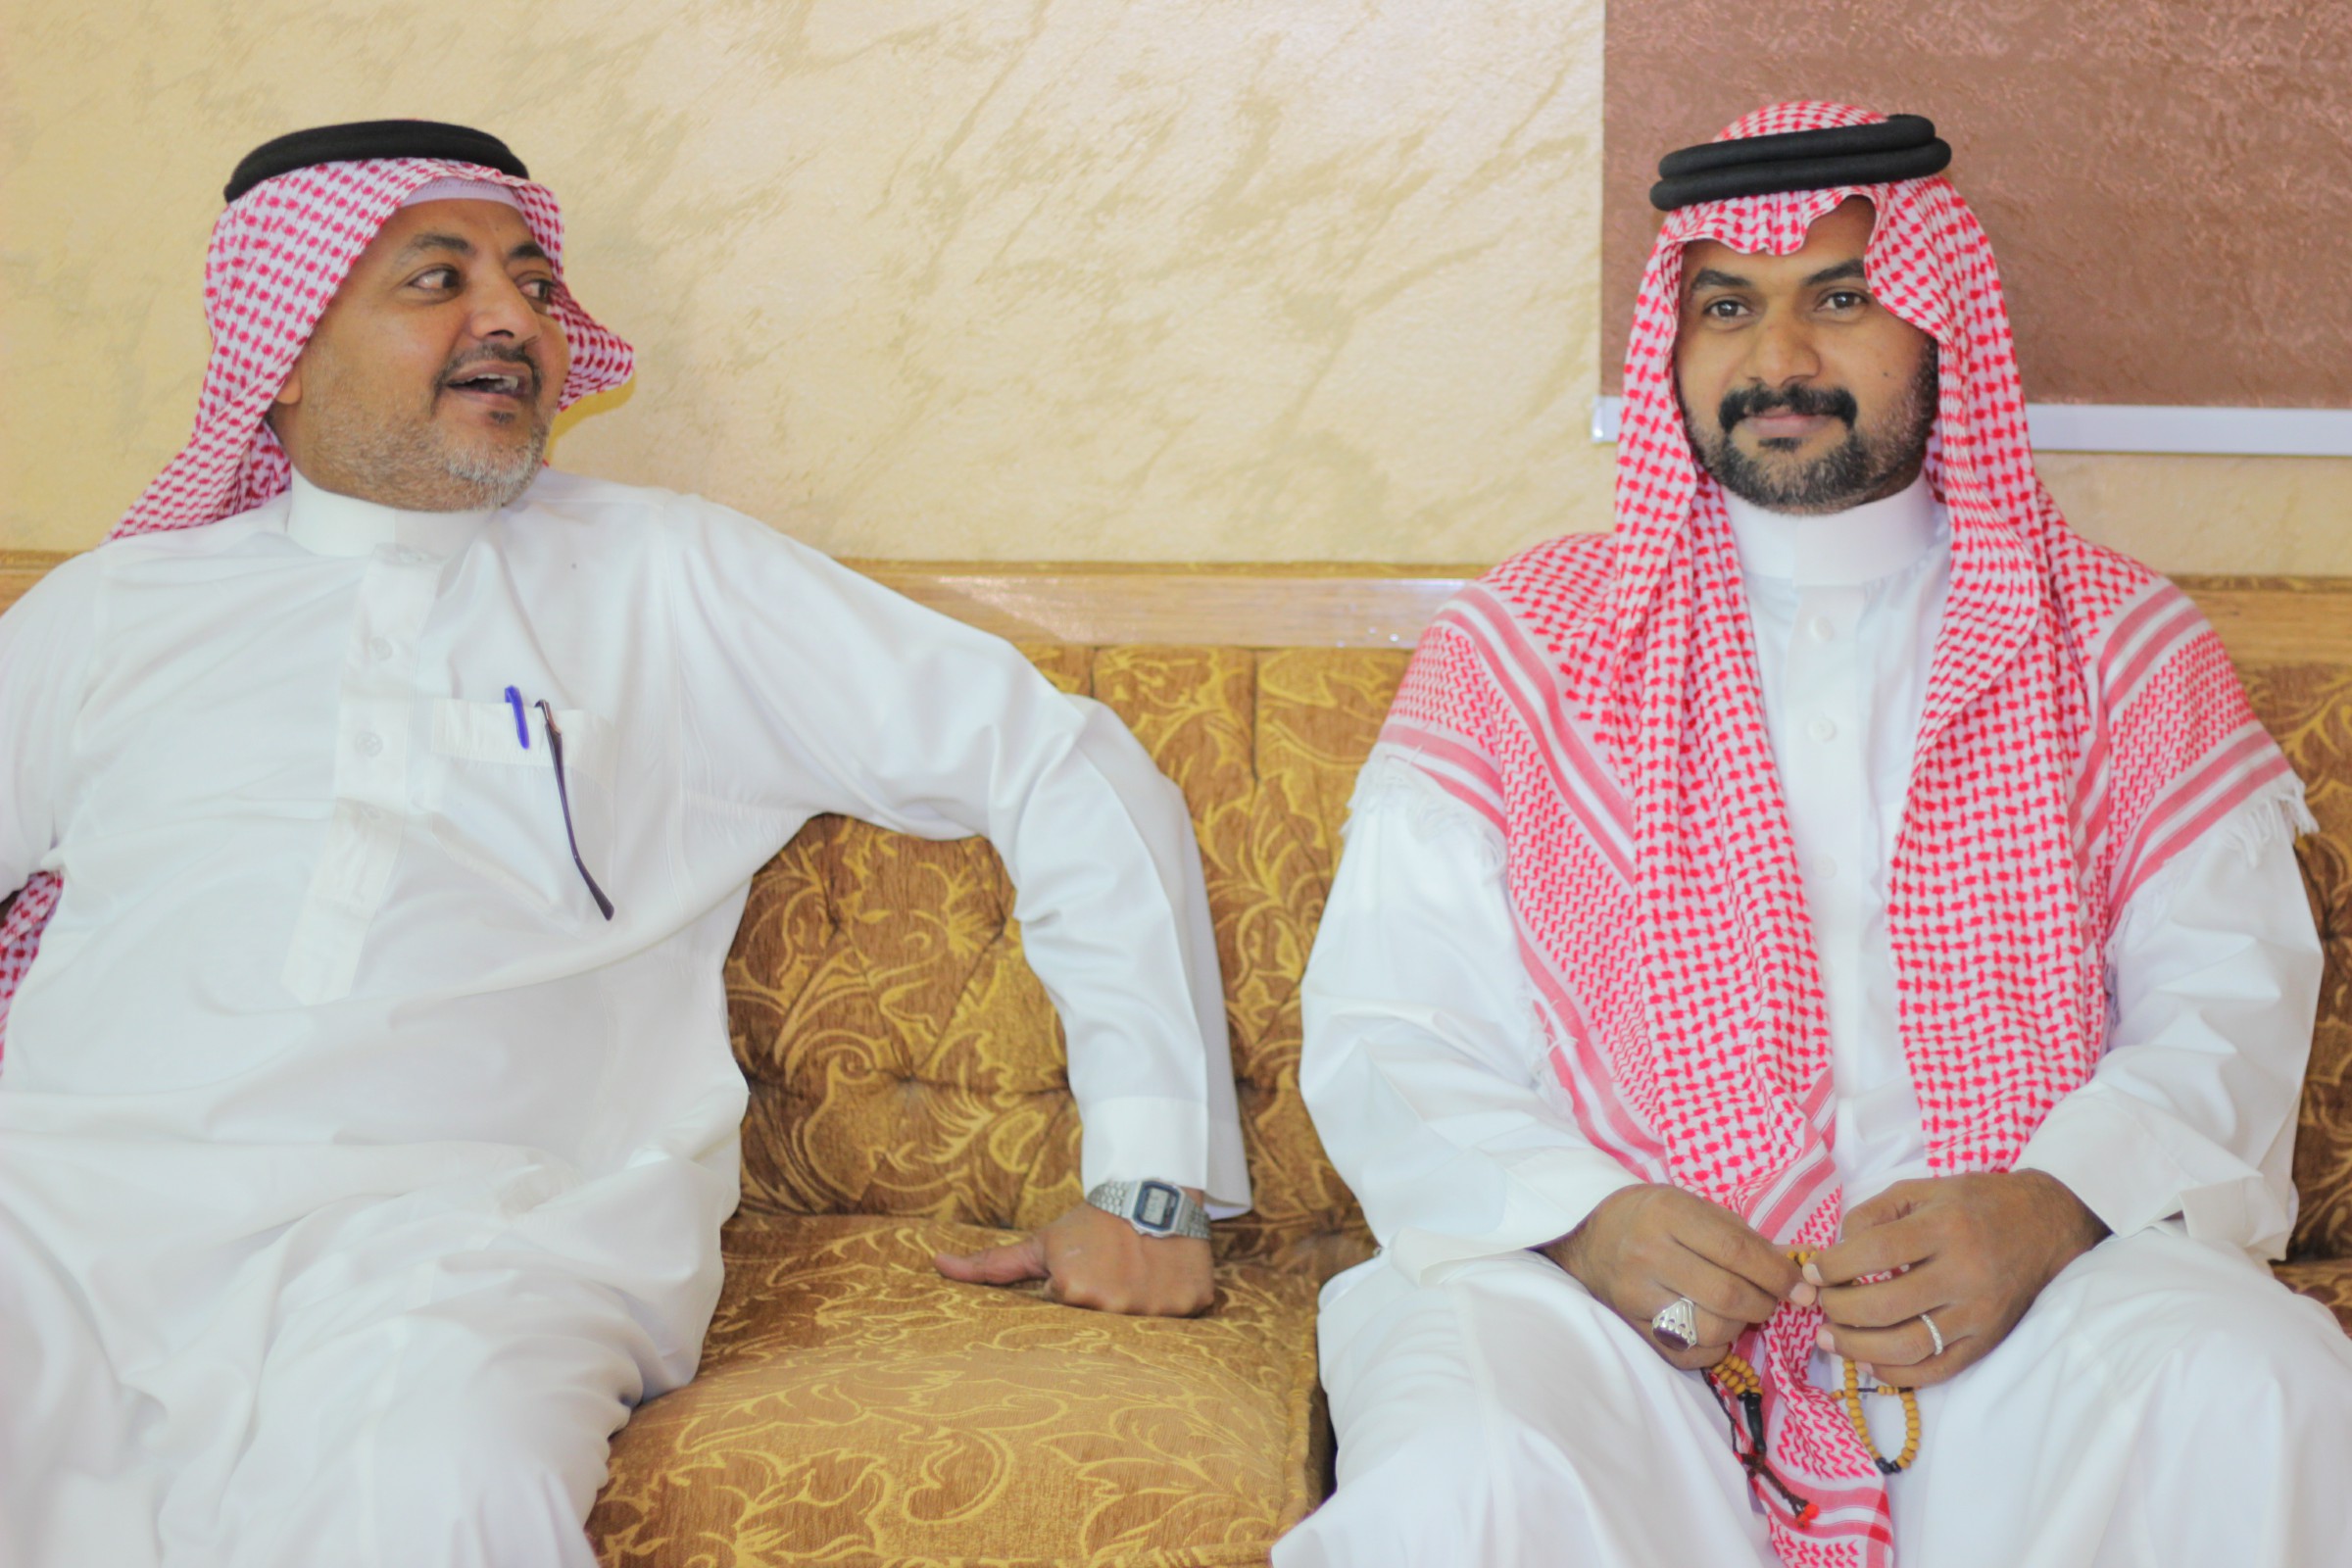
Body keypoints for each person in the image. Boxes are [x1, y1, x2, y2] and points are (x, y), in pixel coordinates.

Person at [0, 120, 1250, 1568]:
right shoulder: (112, 612)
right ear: (278, 350)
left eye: (531, 283)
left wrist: (1148, 1177)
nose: (512, 320)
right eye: (438, 280)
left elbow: (1056, 758)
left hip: (467, 1239)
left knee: (434, 1489)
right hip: (64, 1210)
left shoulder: (673, 577)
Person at [1281, 102, 2352, 1568]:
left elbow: (2225, 1002)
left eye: (1840, 300)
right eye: (1727, 308)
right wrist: (1583, 1220)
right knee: (1472, 1474)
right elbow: (1393, 1023)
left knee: (2259, 1395)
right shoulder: (1524, 648)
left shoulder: (2115, 645)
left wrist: (2051, 1211)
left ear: (1940, 325)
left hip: (2024, 1292)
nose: (1777, 359)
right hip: (1600, 1298)